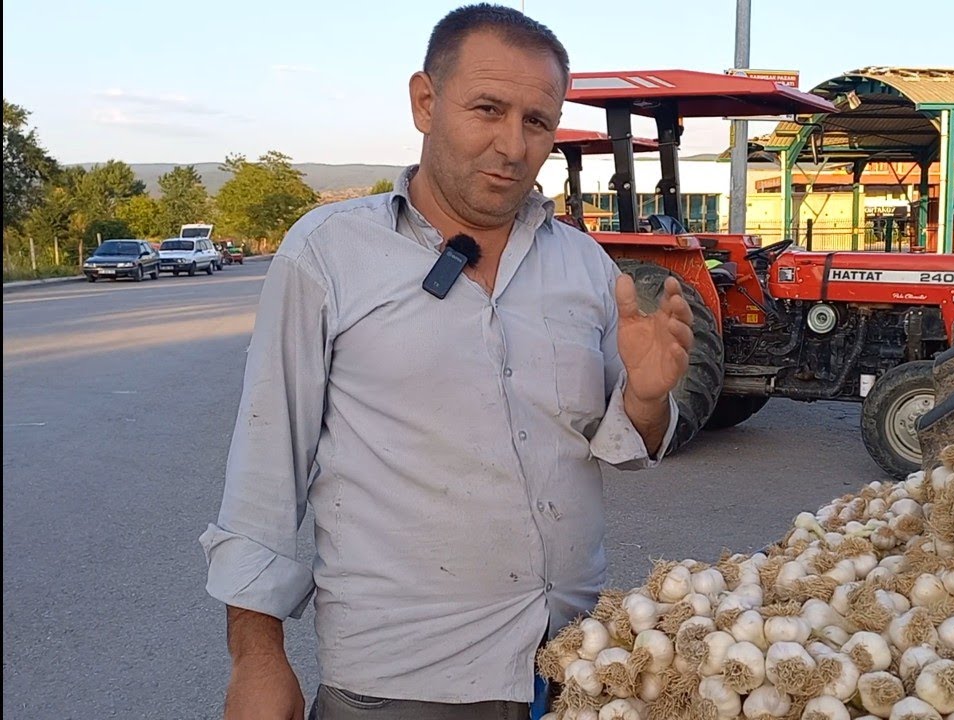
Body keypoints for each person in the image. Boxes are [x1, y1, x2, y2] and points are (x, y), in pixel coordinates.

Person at [198, 4, 694, 719]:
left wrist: (646, 398)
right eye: (487, 109)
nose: (512, 145)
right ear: (425, 103)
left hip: (574, 672)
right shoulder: (329, 253)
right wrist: (257, 657)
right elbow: (265, 466)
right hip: (401, 684)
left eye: (537, 121)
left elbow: (626, 443)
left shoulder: (584, 266)